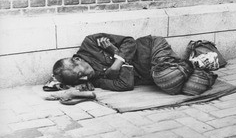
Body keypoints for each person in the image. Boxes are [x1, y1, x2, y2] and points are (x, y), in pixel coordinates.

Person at [52, 33, 193, 95]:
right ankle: (192, 63)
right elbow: (126, 85)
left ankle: (194, 61)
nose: (85, 78)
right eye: (80, 79)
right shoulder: (94, 80)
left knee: (165, 76)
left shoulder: (91, 43)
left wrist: (117, 62)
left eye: (80, 73)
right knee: (179, 87)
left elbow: (129, 41)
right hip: (151, 74)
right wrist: (116, 54)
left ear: (77, 60)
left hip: (151, 48)